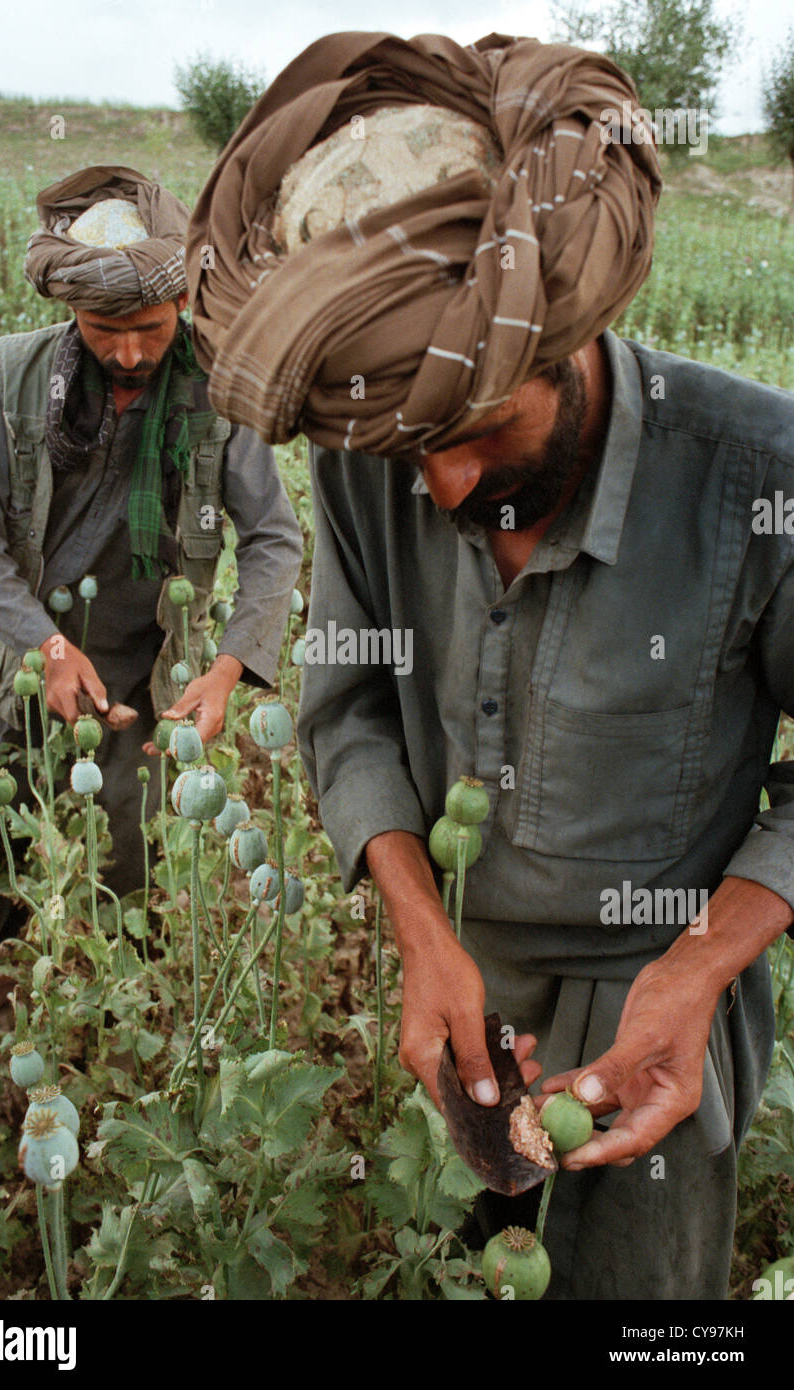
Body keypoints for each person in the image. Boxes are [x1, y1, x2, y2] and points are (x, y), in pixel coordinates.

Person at [184, 32, 794, 1299]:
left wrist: (693, 972)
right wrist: (421, 936)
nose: (443, 487)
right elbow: (344, 707)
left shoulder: (757, 474)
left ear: (570, 331)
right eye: (411, 452)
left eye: (471, 432)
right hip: (457, 996)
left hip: (653, 1009)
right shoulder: (374, 446)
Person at [0, 165, 303, 951]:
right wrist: (48, 645)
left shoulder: (219, 390)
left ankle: (110, 1017)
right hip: (20, 657)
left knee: (127, 870)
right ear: (71, 310)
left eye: (150, 328)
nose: (131, 353)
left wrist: (230, 667)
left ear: (182, 301)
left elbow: (273, 537)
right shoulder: (14, 374)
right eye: (106, 333)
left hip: (146, 671)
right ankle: (4, 988)